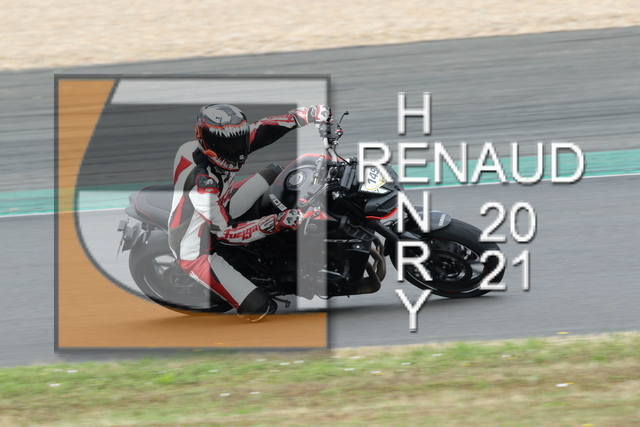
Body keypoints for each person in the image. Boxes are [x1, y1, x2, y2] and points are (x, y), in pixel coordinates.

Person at [168, 103, 331, 321]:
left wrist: (308, 114)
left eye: (240, 140)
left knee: (276, 174)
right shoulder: (202, 184)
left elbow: (264, 128)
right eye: (230, 145)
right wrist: (279, 221)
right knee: (261, 308)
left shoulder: (221, 145)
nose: (238, 150)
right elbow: (227, 232)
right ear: (208, 143)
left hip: (221, 205)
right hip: (199, 245)